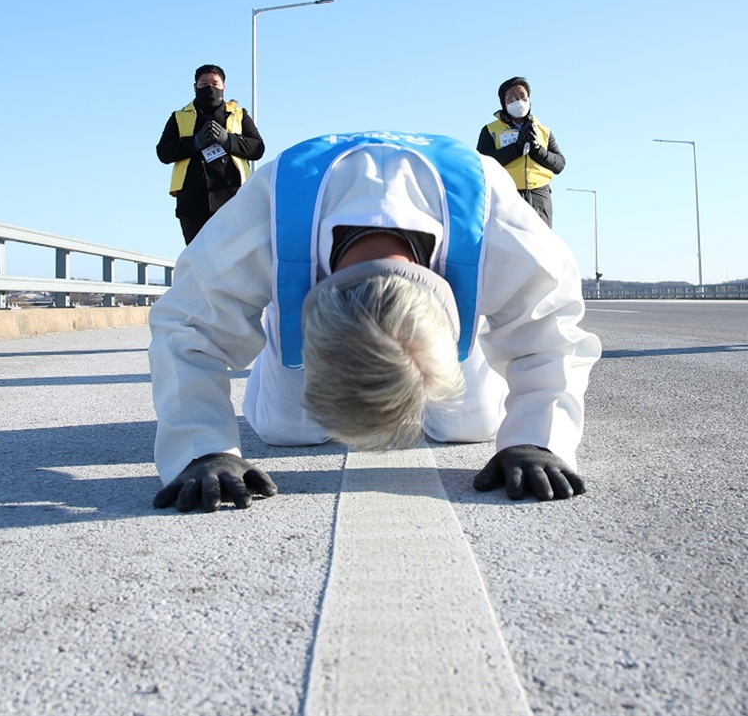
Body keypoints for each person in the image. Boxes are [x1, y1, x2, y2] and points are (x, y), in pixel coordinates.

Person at [148, 130, 601, 513]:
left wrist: (537, 438)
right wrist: (202, 448)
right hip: (303, 315)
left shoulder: (491, 211)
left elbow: (552, 326)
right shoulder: (267, 209)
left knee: (472, 426)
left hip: (447, 291)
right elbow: (187, 327)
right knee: (288, 431)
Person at [156, 65, 265, 244]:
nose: (210, 88)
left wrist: (228, 140)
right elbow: (163, 152)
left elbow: (257, 148)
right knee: (198, 259)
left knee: (232, 256)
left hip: (234, 199)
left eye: (215, 83)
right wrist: (195, 142)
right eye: (204, 83)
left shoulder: (238, 114)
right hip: (192, 201)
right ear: (195, 87)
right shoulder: (179, 117)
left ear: (224, 87)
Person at [476, 76, 565, 227]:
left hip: (539, 195)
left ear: (529, 99)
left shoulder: (543, 131)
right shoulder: (491, 130)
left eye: (522, 96)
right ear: (503, 103)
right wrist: (516, 148)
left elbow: (559, 164)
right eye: (511, 97)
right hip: (505, 193)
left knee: (539, 243)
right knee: (507, 242)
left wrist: (536, 150)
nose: (518, 100)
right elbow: (482, 163)